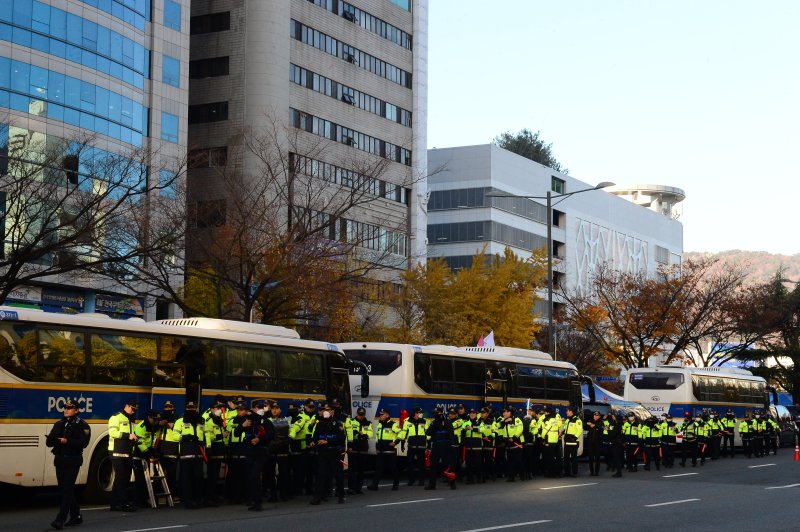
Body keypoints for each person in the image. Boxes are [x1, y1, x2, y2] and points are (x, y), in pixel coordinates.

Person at [46, 399, 90, 530]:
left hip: (73, 460)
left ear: (76, 410)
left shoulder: (83, 425)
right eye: (64, 407)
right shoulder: (59, 423)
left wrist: (67, 441)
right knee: (64, 490)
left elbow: (83, 443)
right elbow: (49, 443)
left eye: (69, 408)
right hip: (60, 460)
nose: (65, 410)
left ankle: (60, 519)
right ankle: (76, 515)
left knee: (67, 489)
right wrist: (52, 439)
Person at [237, 400, 272, 511]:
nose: (260, 409)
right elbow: (236, 433)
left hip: (261, 452)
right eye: (258, 407)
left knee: (255, 476)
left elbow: (271, 434)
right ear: (253, 409)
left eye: (262, 407)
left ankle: (258, 502)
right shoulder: (248, 420)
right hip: (249, 452)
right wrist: (242, 426)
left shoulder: (265, 421)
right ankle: (252, 500)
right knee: (250, 477)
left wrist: (259, 439)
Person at [309, 403, 346, 505]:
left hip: (334, 452)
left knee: (338, 475)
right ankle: (318, 497)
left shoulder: (338, 423)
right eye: (325, 410)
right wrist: (312, 441)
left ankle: (341, 495)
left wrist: (328, 441)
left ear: (332, 411)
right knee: (321, 475)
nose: (326, 411)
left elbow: (341, 438)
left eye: (328, 410)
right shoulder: (320, 423)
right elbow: (315, 436)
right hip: (323, 453)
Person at [108, 398, 139, 512]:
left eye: (135, 410)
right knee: (121, 478)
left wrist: (135, 438)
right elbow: (112, 433)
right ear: (127, 406)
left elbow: (132, 434)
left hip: (127, 452)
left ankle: (115, 503)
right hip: (116, 452)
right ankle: (123, 503)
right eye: (132, 409)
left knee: (124, 479)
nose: (133, 411)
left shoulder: (131, 420)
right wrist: (128, 436)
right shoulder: (116, 417)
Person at [173, 401, 205, 509]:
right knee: (186, 479)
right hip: (185, 455)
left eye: (193, 407)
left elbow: (205, 435)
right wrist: (186, 437)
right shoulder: (180, 421)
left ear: (196, 408)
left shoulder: (201, 420)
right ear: (186, 408)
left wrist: (207, 446)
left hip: (199, 454)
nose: (191, 409)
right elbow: (174, 436)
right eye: (189, 407)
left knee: (198, 478)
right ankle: (187, 501)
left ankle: (198, 500)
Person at [132, 409, 161, 508]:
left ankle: (143, 500)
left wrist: (153, 450)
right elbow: (139, 442)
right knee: (139, 479)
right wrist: (147, 452)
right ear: (149, 418)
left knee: (146, 480)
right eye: (154, 419)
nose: (156, 421)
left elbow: (153, 438)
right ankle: (137, 501)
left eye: (157, 420)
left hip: (146, 455)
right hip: (138, 455)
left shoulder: (153, 426)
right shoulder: (141, 427)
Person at [369, 408, 401, 490]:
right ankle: (374, 485)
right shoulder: (379, 424)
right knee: (378, 468)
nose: (381, 416)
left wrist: (395, 442)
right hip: (380, 451)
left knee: (393, 468)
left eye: (382, 414)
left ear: (387, 415)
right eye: (380, 414)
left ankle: (396, 484)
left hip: (390, 451)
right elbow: (377, 437)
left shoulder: (392, 424)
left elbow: (401, 432)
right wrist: (377, 447)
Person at [204, 402, 229, 506]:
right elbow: (208, 436)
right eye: (216, 408)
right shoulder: (208, 421)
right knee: (211, 475)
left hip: (220, 450)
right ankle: (209, 497)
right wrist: (221, 436)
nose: (219, 409)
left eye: (220, 408)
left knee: (216, 476)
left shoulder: (220, 420)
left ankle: (213, 496)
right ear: (211, 409)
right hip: (212, 450)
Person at [265, 401, 291, 502]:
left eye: (277, 408)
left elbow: (289, 434)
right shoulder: (267, 420)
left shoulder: (286, 420)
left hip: (282, 450)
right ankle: (273, 495)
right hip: (271, 450)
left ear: (280, 410)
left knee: (284, 474)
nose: (275, 410)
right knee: (270, 474)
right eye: (273, 409)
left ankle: (284, 494)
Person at [425, 407, 456, 490]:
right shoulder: (434, 422)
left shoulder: (447, 422)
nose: (435, 414)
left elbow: (451, 435)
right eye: (434, 413)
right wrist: (434, 424)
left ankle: (452, 483)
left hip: (445, 447)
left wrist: (451, 446)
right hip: (436, 447)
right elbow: (428, 432)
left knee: (448, 465)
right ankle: (432, 485)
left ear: (441, 413)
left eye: (437, 413)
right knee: (433, 465)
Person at [226, 401, 249, 504]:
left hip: (245, 449)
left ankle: (244, 496)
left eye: (242, 410)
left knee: (244, 475)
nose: (239, 411)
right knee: (233, 475)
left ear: (246, 411)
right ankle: (232, 497)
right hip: (234, 450)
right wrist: (227, 448)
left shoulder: (249, 421)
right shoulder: (231, 421)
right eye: (238, 410)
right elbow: (227, 434)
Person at [156, 401, 180, 499]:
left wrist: (171, 424)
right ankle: (157, 496)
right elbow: (154, 427)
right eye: (166, 406)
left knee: (171, 475)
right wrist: (160, 423)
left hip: (172, 448)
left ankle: (171, 496)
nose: (168, 408)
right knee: (158, 475)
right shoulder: (160, 417)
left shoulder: (177, 418)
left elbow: (178, 429)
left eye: (170, 406)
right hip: (160, 447)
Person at [400, 406, 426, 487]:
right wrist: (402, 443)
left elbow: (427, 433)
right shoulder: (407, 421)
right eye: (420, 413)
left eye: (421, 413)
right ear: (415, 413)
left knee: (421, 464)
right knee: (410, 464)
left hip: (421, 446)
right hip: (411, 446)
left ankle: (421, 480)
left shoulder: (424, 421)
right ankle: (411, 480)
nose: (421, 414)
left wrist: (428, 444)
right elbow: (404, 432)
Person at [462, 409, 485, 484]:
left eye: (474, 413)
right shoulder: (466, 422)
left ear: (476, 414)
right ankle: (469, 479)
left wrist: (472, 428)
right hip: (469, 446)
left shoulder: (480, 422)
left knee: (478, 464)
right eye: (471, 413)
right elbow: (462, 431)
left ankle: (479, 479)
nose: (472, 414)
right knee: (469, 464)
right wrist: (465, 429)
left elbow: (482, 429)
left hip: (477, 446)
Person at [561, 406, 582, 477]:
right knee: (566, 458)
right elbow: (565, 429)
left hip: (574, 442)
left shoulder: (577, 420)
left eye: (567, 411)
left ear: (571, 411)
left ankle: (574, 473)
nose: (566, 412)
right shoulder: (567, 420)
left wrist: (574, 438)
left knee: (574, 458)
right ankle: (567, 472)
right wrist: (562, 432)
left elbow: (580, 430)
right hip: (567, 442)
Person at [478, 407, 496, 481]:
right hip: (480, 444)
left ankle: (492, 475)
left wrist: (488, 437)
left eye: (484, 413)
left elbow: (495, 433)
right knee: (481, 461)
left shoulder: (492, 421)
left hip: (489, 443)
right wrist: (482, 437)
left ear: (488, 413)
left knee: (489, 461)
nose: (482, 414)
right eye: (481, 413)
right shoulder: (478, 421)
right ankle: (484, 476)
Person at [585, 411, 603, 476]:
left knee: (597, 458)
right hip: (590, 442)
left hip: (597, 442)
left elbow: (601, 427)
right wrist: (589, 424)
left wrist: (594, 425)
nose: (595, 416)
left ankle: (596, 471)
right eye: (594, 415)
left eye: (597, 415)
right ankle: (591, 471)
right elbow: (585, 424)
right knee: (590, 458)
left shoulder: (601, 422)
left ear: (599, 416)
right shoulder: (591, 421)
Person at [608, 414, 624, 478]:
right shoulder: (617, 424)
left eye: (614, 417)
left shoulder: (618, 425)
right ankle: (618, 471)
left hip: (617, 443)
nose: (613, 417)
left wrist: (608, 430)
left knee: (617, 458)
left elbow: (613, 433)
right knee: (616, 458)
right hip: (616, 443)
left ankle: (619, 473)